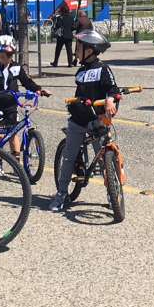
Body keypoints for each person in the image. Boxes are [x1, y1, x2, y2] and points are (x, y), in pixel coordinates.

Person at [51, 28, 120, 213]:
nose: (75, 50)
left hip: (97, 119)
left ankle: (112, 192)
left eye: (78, 47)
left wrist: (110, 100)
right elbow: (80, 94)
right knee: (69, 157)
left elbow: (113, 89)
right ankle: (62, 193)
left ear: (89, 50)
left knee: (104, 158)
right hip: (79, 119)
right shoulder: (81, 72)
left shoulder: (103, 69)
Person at [0, 33, 49, 171]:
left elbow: (27, 81)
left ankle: (17, 164)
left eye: (10, 54)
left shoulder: (16, 68)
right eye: (4, 54)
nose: (7, 57)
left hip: (11, 104)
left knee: (13, 132)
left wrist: (38, 89)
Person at [51, 0, 75, 67]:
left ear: (62, 11)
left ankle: (55, 62)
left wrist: (54, 19)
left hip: (61, 36)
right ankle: (70, 63)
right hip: (69, 35)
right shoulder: (71, 17)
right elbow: (73, 27)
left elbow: (58, 25)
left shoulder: (59, 18)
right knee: (69, 50)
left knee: (58, 50)